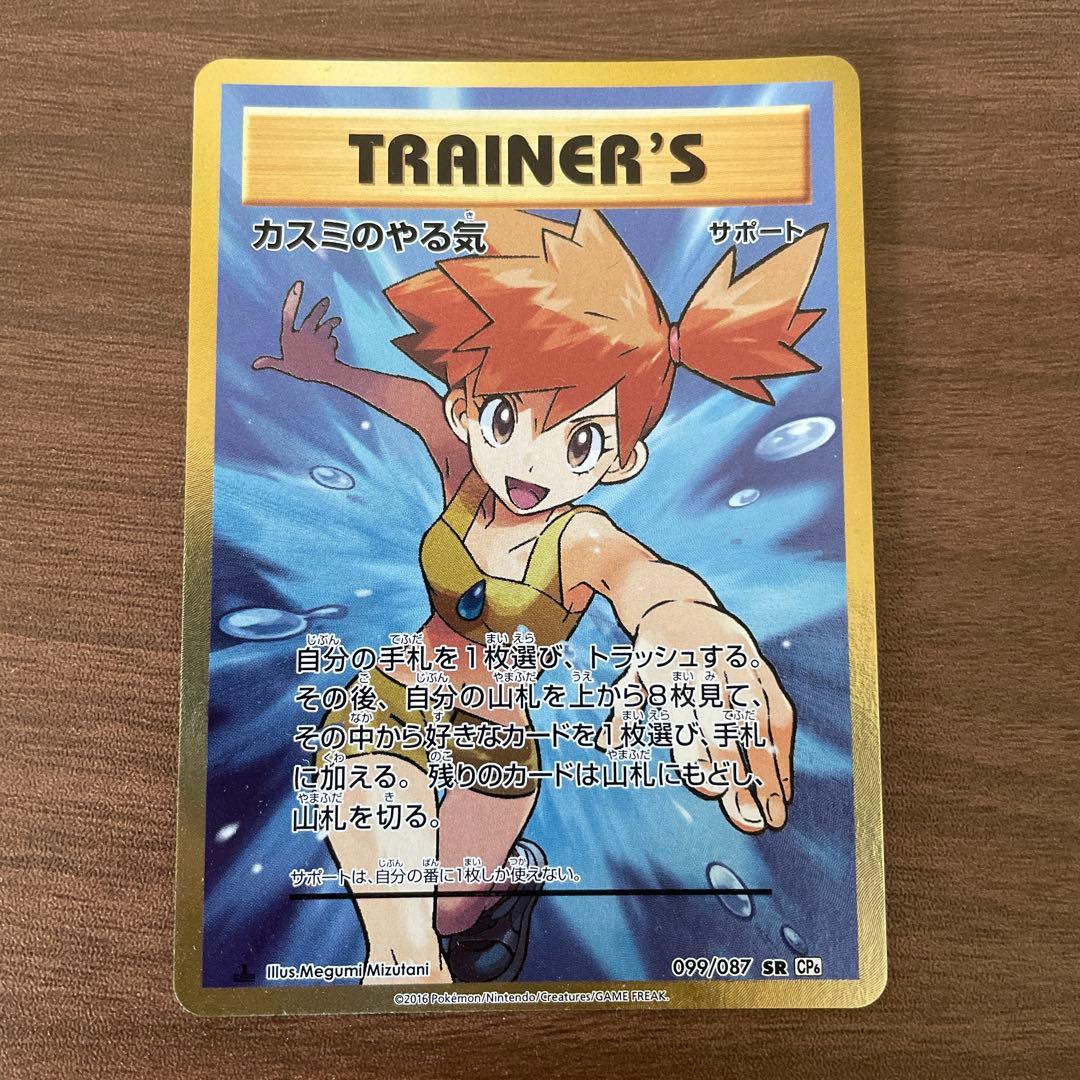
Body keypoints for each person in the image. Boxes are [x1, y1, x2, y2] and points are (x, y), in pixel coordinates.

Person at [253, 209, 827, 982]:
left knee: (450, 909)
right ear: (468, 410)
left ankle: (496, 895)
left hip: (496, 736)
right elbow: (416, 402)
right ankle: (409, 969)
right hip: (393, 702)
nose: (532, 460)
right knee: (405, 941)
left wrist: (689, 625)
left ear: (622, 460)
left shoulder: (581, 539)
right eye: (506, 417)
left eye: (580, 440)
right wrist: (328, 372)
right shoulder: (463, 472)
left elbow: (642, 578)